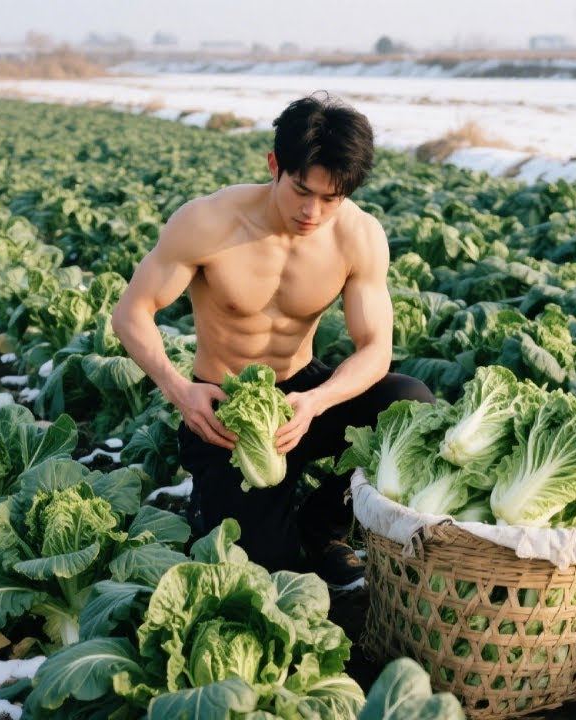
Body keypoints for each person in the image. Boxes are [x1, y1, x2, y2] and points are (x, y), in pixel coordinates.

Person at [110, 93, 434, 587]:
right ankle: (255, 514)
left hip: (303, 395)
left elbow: (375, 348)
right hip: (228, 409)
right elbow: (131, 312)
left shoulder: (358, 235)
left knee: (408, 402)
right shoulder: (209, 222)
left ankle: (323, 523)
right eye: (302, 190)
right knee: (264, 574)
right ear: (274, 164)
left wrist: (317, 402)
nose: (313, 211)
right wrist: (181, 391)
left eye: (331, 197)